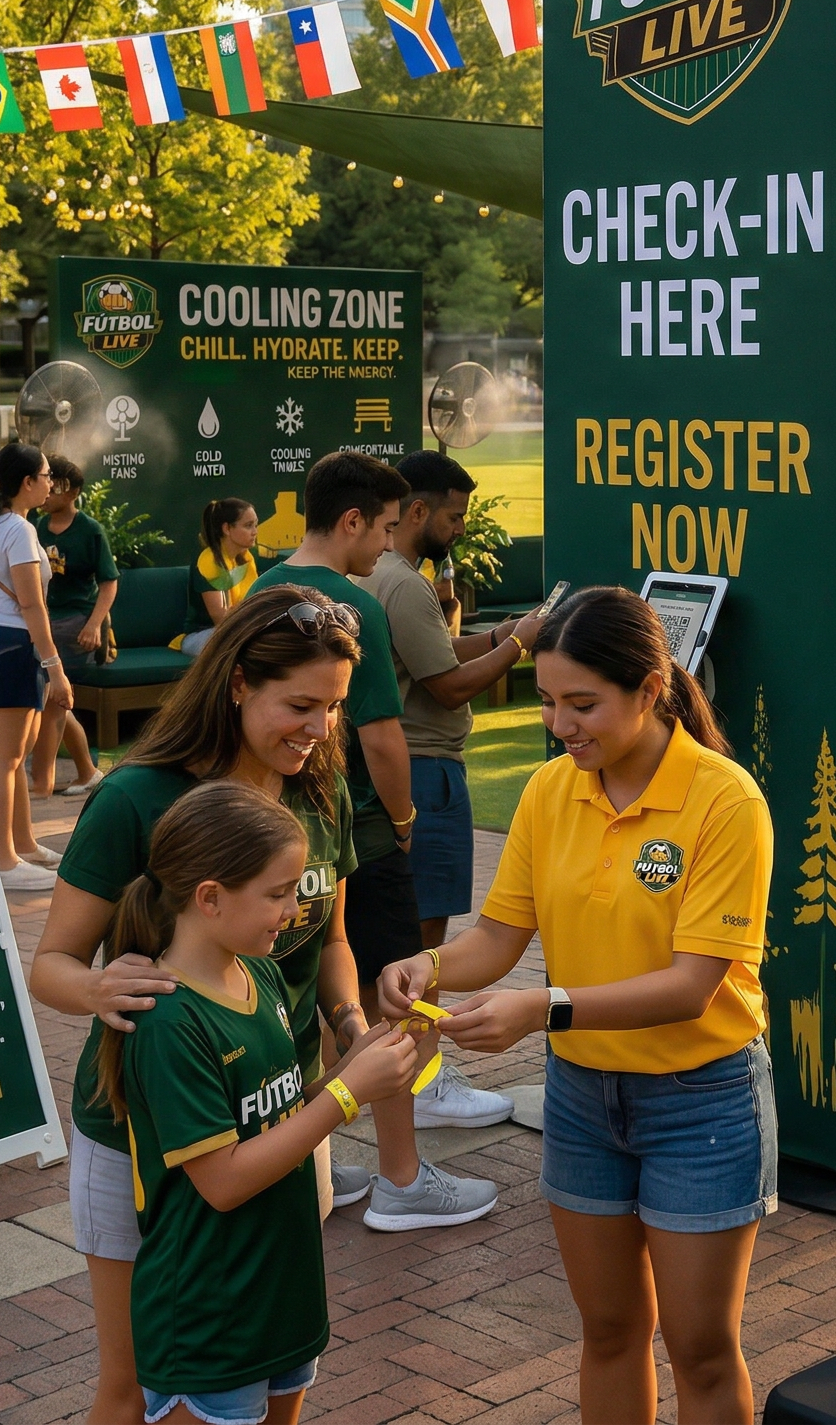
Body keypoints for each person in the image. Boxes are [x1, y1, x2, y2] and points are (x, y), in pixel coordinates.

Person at [31, 588, 488, 1425]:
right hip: (144, 1136)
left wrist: (351, 1027)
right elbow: (51, 964)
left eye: (336, 707)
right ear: (239, 683)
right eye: (301, 705)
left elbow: (332, 943)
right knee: (133, 1386)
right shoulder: (135, 798)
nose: (319, 730)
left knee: (265, 1358)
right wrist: (99, 987)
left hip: (279, 1116)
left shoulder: (317, 789)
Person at [377, 587, 776, 1425]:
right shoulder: (550, 791)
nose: (561, 724)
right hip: (583, 1098)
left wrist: (541, 1010)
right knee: (608, 1331)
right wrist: (427, 966)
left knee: (702, 1350)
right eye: (549, 700)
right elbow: (496, 936)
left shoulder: (725, 800)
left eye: (583, 703)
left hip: (701, 1098)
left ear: (651, 687)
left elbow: (691, 984)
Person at [98, 782, 425, 1425]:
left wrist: (371, 1054)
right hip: (208, 1319)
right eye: (278, 893)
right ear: (210, 898)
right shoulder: (169, 1019)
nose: (294, 909)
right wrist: (348, 1093)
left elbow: (276, 1112)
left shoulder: (261, 972)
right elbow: (222, 1181)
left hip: (281, 1297)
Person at [279, 451, 518, 1162]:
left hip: (279, 827)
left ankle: (315, 1160)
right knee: (393, 985)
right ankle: (404, 1178)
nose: (388, 545)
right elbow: (381, 737)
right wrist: (405, 819)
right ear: (350, 520)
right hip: (360, 829)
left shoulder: (265, 585)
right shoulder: (354, 606)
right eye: (382, 528)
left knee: (307, 990)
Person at [367, 451, 535, 954]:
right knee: (423, 939)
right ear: (417, 512)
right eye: (455, 516)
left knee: (393, 931)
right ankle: (422, 1035)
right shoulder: (406, 584)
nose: (462, 528)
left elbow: (427, 656)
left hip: (399, 767)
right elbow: (448, 685)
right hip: (426, 773)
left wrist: (496, 637)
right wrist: (520, 645)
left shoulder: (377, 572)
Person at [0, 442, 71, 889]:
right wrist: (56, 667)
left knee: (16, 755)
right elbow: (31, 604)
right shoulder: (18, 530)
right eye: (46, 476)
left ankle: (23, 844)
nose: (51, 483)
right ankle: (3, 861)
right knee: (5, 757)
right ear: (27, 483)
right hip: (12, 642)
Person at [29, 454, 117, 799]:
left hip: (76, 622)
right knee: (55, 702)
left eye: (55, 484)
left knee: (51, 700)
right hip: (43, 623)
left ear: (72, 491)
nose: (47, 490)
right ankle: (86, 771)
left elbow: (109, 582)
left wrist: (95, 625)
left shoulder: (90, 530)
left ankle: (42, 782)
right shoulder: (34, 526)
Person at [179, 496, 259, 655]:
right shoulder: (208, 561)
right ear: (227, 529)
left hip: (239, 628)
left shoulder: (246, 558)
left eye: (256, 525)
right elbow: (220, 618)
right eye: (248, 526)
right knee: (244, 643)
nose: (255, 532)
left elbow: (256, 602)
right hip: (204, 635)